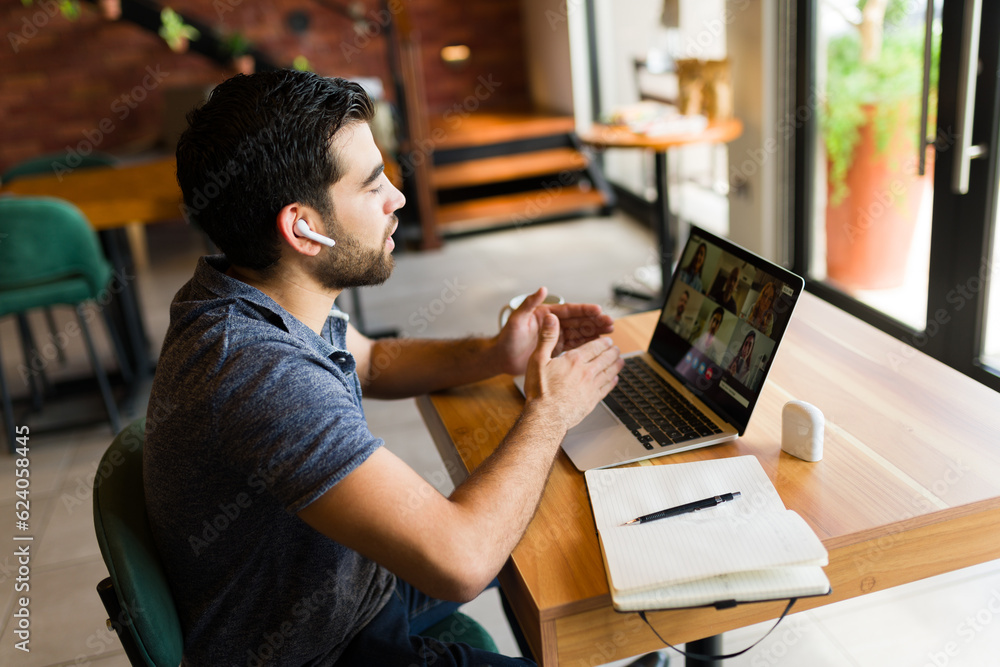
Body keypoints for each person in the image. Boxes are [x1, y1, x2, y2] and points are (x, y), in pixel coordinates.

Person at [143, 70, 623, 667]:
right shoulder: (258, 372)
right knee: (517, 521)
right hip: (320, 649)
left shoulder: (252, 289)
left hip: (346, 589)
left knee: (547, 529)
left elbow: (369, 359)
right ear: (303, 227)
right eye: (372, 186)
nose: (397, 197)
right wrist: (551, 413)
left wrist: (496, 353)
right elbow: (462, 561)